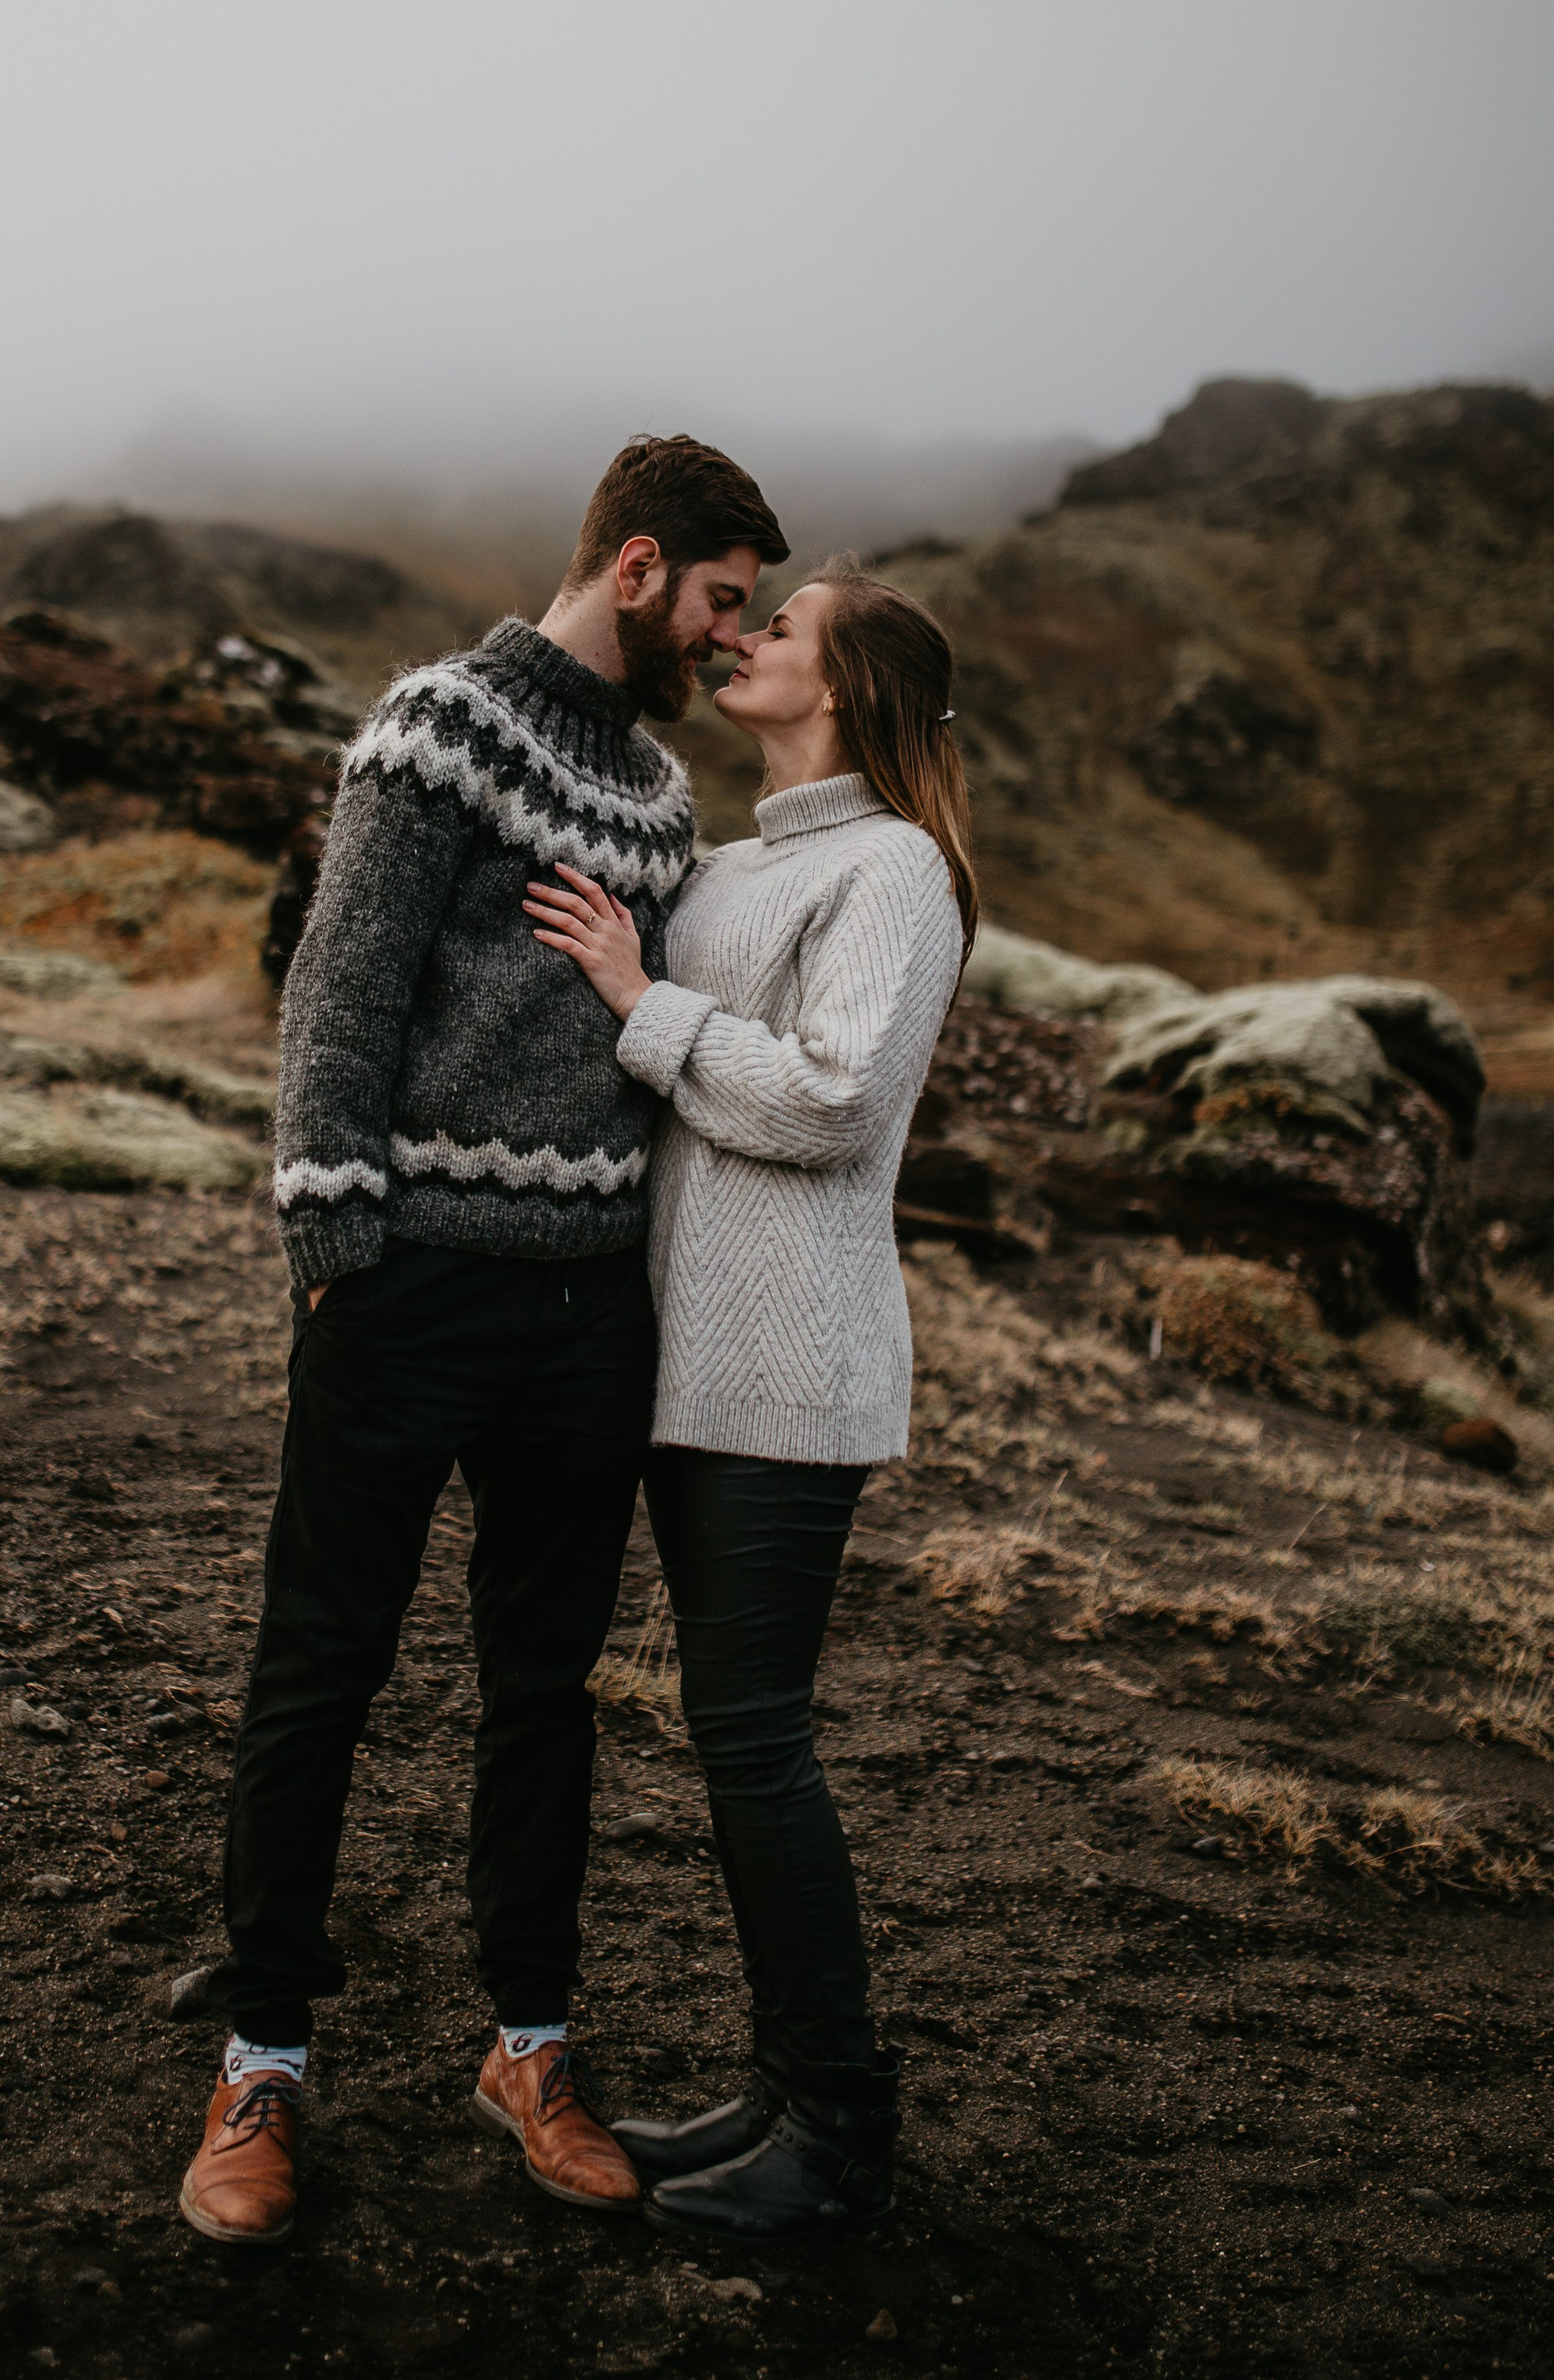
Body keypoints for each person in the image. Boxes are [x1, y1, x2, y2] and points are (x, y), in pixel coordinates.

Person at [178, 435, 790, 2247]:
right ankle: (259, 2064)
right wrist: (332, 1238)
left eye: (748, 615)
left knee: (542, 1696)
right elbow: (341, 986)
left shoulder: (661, 799)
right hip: (406, 1295)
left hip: (583, 1318)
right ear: (636, 569)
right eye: (718, 602)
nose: (724, 636)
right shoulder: (433, 724)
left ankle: (528, 2047)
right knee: (320, 1677)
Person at [525, 561, 975, 2243]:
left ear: (846, 685)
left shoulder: (893, 877)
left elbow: (836, 1104)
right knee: (734, 1746)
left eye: (778, 627)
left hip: (788, 1380)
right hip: (686, 1369)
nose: (742, 637)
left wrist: (641, 1007)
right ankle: (783, 2091)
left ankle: (838, 2136)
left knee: (755, 1746)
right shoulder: (731, 866)